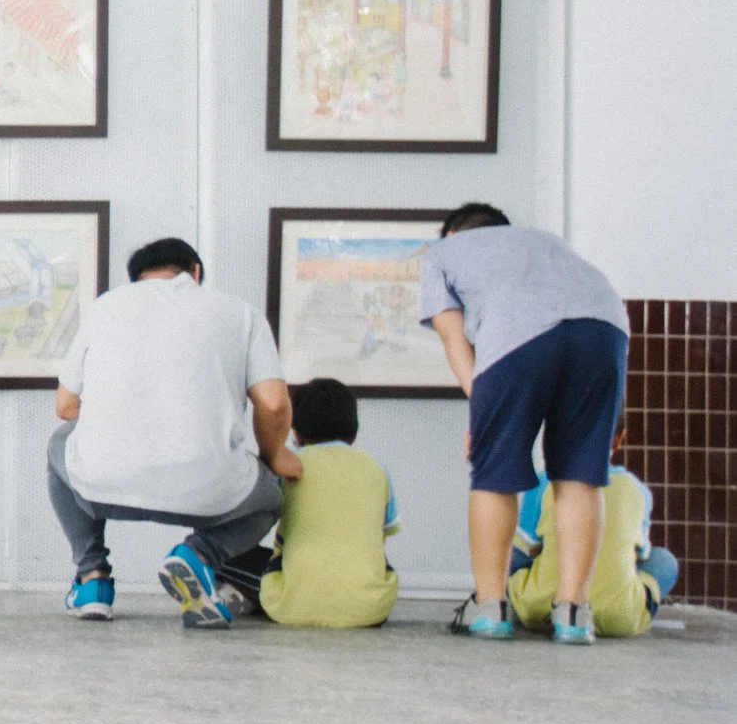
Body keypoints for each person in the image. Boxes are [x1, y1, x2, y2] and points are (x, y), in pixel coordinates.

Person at [47, 237, 297, 630]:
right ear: (195, 271)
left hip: (102, 486)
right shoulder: (240, 313)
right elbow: (275, 404)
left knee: (59, 444)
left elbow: (65, 406)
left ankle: (91, 579)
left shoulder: (106, 307)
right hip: (209, 492)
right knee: (270, 497)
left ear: (137, 280)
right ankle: (199, 555)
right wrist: (274, 456)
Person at [419, 203, 629, 643]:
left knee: (495, 474)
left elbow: (453, 336)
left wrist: (484, 410)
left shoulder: (442, 254)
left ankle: (490, 608)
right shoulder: (545, 242)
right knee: (580, 475)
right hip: (605, 329)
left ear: (454, 234)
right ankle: (574, 615)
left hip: (519, 337)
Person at [221, 378, 400, 628]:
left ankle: (243, 595)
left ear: (295, 432)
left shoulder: (289, 467)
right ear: (353, 430)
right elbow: (387, 529)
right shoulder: (376, 468)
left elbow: (250, 519)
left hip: (292, 606)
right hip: (371, 609)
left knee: (221, 555)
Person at [507, 425, 673, 639]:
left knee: (507, 549)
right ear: (620, 438)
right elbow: (641, 554)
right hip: (620, 616)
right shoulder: (637, 489)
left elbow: (526, 547)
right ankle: (614, 599)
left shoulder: (543, 483)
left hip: (538, 609)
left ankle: (505, 603)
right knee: (664, 561)